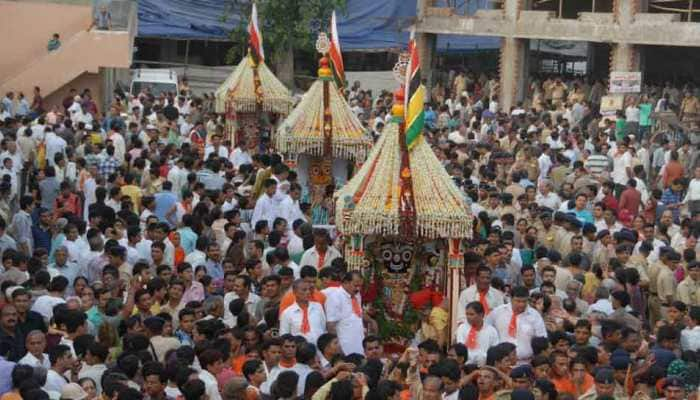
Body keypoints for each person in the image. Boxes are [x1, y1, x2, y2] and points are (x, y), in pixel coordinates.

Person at [325, 271, 364, 355]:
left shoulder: (357, 295)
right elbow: (330, 326)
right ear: (346, 283)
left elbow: (357, 315)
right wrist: (339, 349)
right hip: (345, 348)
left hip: (359, 343)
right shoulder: (335, 297)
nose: (358, 289)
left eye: (360, 286)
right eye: (356, 285)